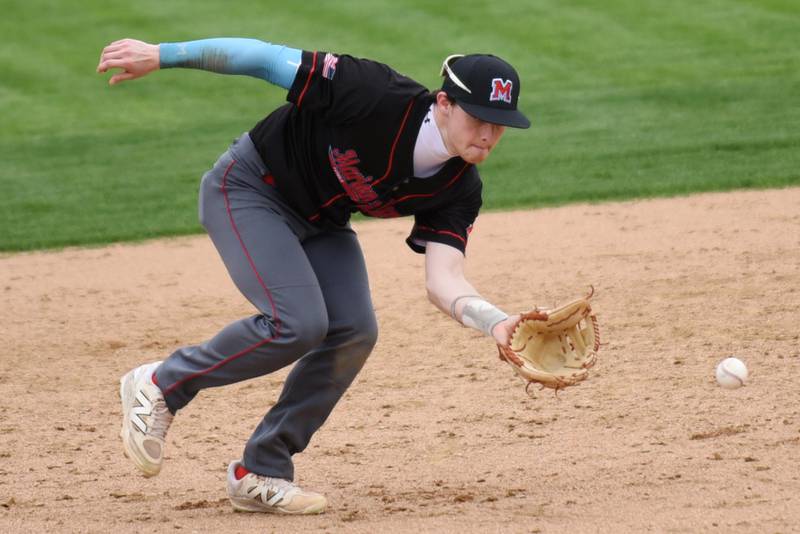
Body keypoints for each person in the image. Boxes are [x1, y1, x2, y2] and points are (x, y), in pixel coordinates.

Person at [97, 36, 530, 515]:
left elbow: (443, 280)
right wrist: (161, 56)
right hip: (249, 187)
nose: (488, 135)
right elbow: (261, 59)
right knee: (298, 323)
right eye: (479, 119)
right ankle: (162, 383)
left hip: (321, 221)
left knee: (354, 332)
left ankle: (261, 470)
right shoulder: (373, 92)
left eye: (500, 125)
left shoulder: (459, 188)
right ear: (444, 103)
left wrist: (497, 322)